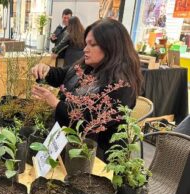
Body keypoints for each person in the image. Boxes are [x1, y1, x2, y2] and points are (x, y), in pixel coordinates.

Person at [31, 18, 143, 162]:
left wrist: (56, 103)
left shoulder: (121, 85)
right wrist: (46, 71)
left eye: (93, 44)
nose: (85, 49)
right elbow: (65, 75)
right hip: (67, 143)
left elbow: (90, 122)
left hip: (96, 156)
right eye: (86, 43)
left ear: (111, 47)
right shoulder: (88, 66)